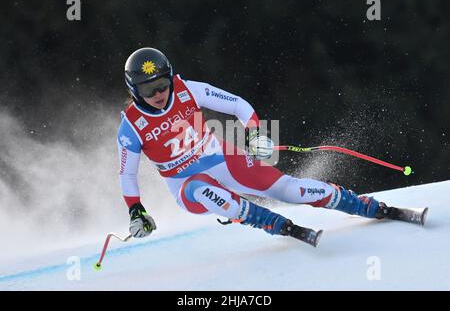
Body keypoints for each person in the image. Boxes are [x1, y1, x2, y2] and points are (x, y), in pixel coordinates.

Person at [117, 47, 403, 247]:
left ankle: (364, 205)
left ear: (171, 77)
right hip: (185, 183)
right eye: (147, 90)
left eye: (162, 84)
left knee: (290, 189)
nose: (158, 94)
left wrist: (254, 134)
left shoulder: (187, 89)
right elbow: (128, 175)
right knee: (205, 189)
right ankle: (267, 221)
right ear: (134, 92)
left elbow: (237, 105)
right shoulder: (131, 126)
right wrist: (136, 211)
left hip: (221, 157)